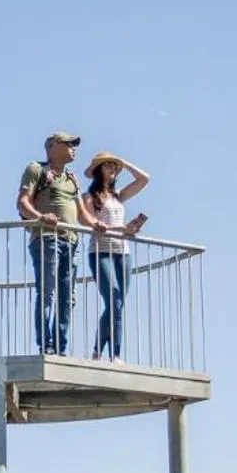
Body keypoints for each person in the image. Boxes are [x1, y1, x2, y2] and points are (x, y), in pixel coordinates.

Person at [16, 131, 83, 355]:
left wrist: (116, 229)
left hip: (71, 241)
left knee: (68, 297)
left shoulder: (72, 178)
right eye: (69, 143)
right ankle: (46, 345)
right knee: (47, 293)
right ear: (53, 146)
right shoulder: (37, 169)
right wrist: (40, 216)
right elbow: (22, 202)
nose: (74, 148)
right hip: (46, 239)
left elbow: (84, 216)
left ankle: (61, 347)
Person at [81, 151, 149, 360]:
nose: (112, 169)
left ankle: (103, 352)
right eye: (108, 165)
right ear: (98, 170)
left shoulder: (118, 195)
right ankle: (108, 353)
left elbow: (144, 179)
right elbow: (90, 222)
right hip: (101, 251)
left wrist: (123, 162)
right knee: (114, 299)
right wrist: (123, 228)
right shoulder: (88, 196)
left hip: (122, 252)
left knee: (117, 303)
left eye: (114, 166)